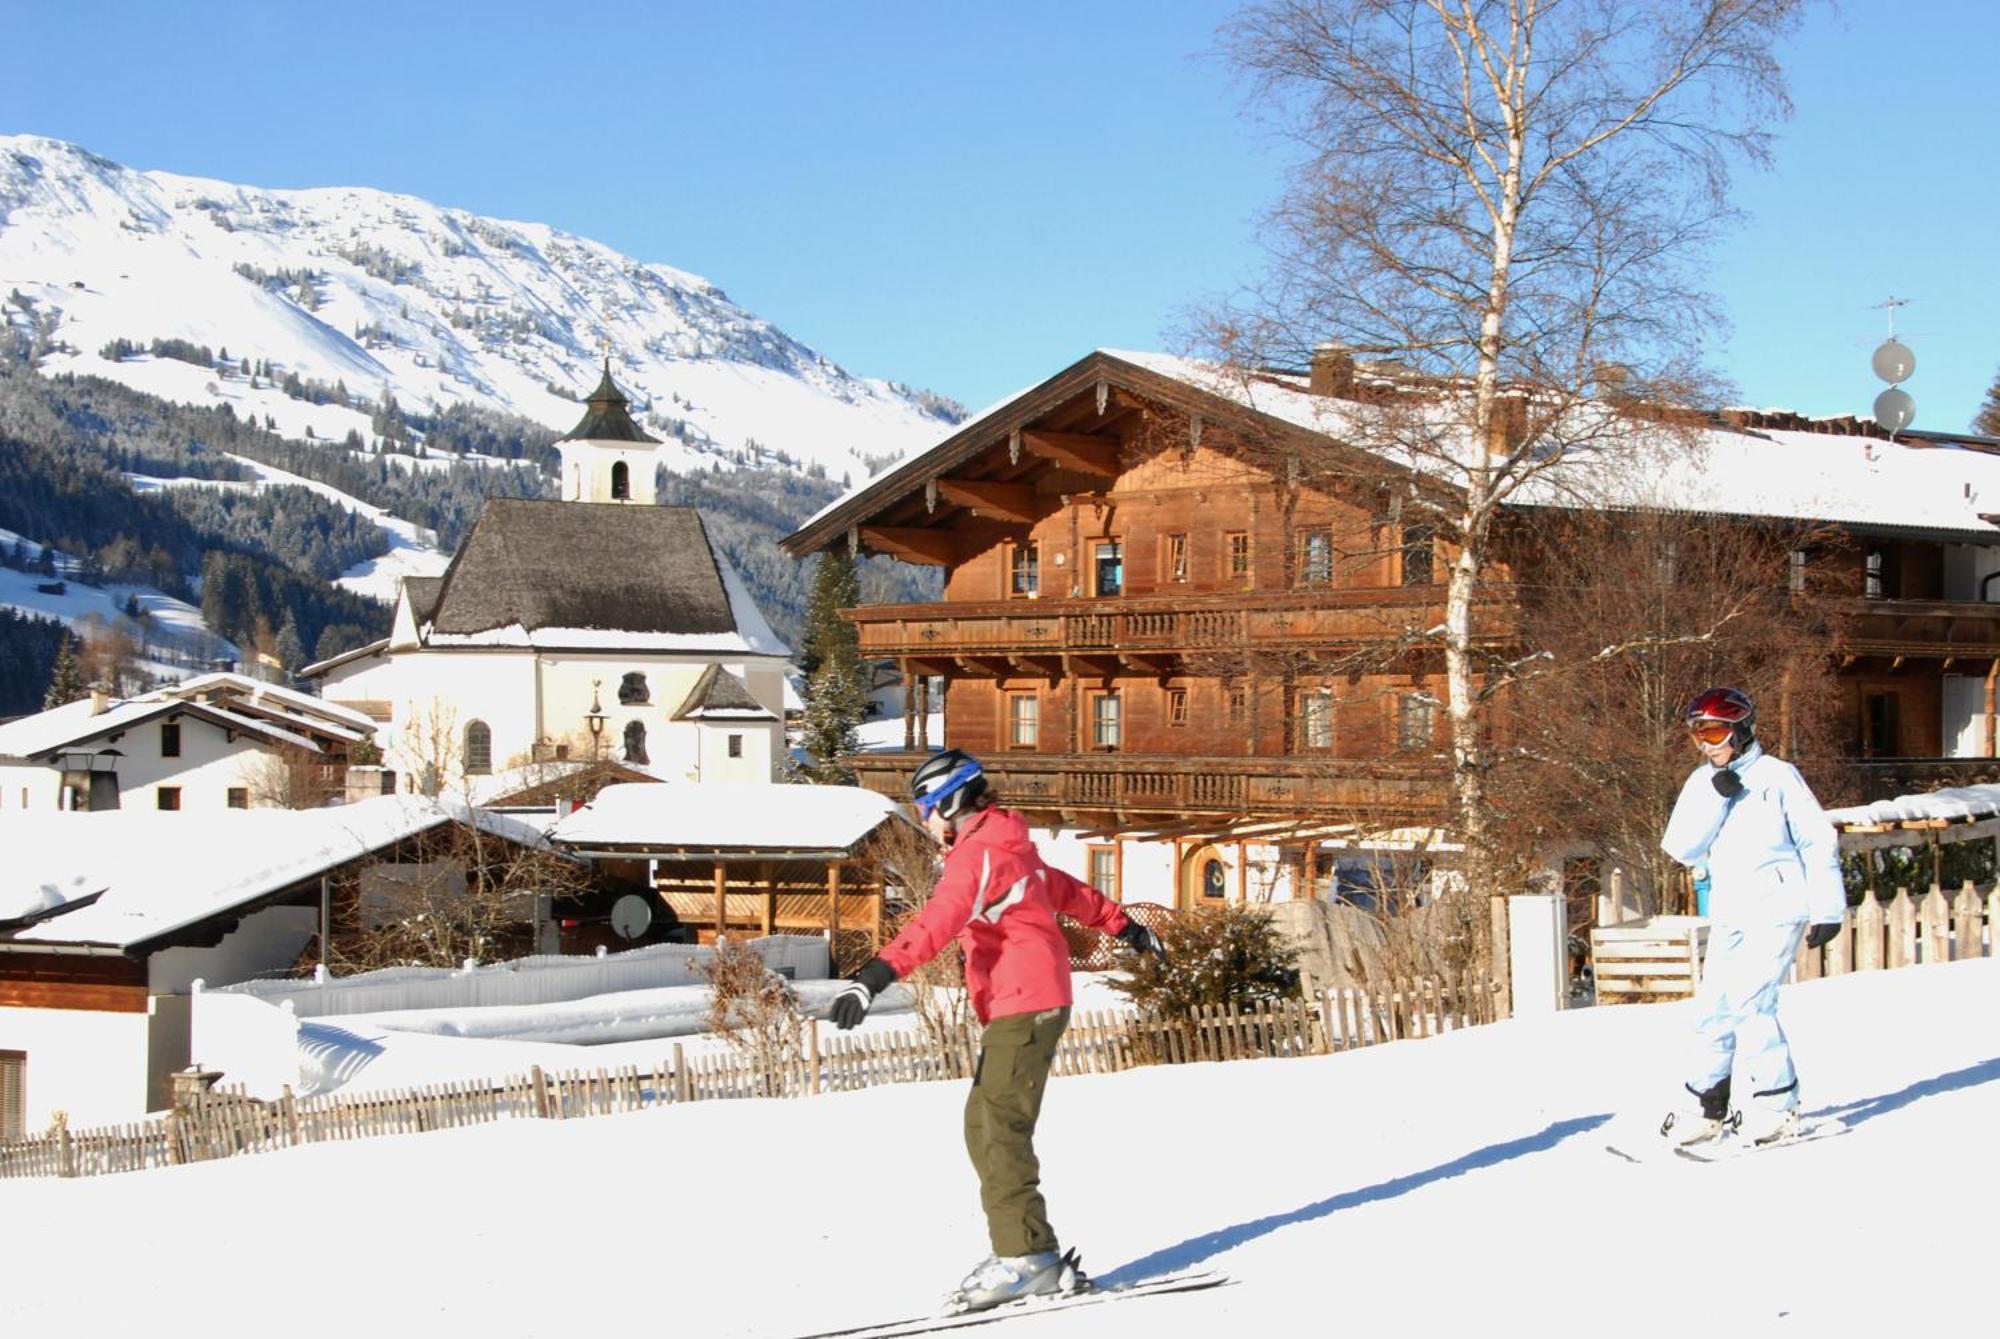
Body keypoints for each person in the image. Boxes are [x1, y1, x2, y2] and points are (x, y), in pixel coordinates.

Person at [827, 748, 1168, 1313]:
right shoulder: (1010, 848)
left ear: (952, 802)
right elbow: (1063, 891)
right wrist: (1123, 924)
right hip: (1025, 1002)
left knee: (1000, 1127)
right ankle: (1025, 1250)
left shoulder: (977, 857)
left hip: (1025, 1003)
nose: (925, 821)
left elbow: (938, 920)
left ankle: (1028, 1258)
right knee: (984, 1123)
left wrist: (876, 974)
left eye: (926, 808)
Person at [1658, 687, 1845, 1148]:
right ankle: (1706, 1107)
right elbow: (1681, 848)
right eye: (1699, 735)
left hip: (1778, 907)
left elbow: (1817, 841)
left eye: (1716, 732)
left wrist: (1828, 907)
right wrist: (1716, 799)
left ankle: (1778, 1107)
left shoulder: (1779, 777)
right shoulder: (1703, 784)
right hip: (1731, 911)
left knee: (1749, 1003)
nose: (1707, 744)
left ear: (1740, 730)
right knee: (1712, 1010)